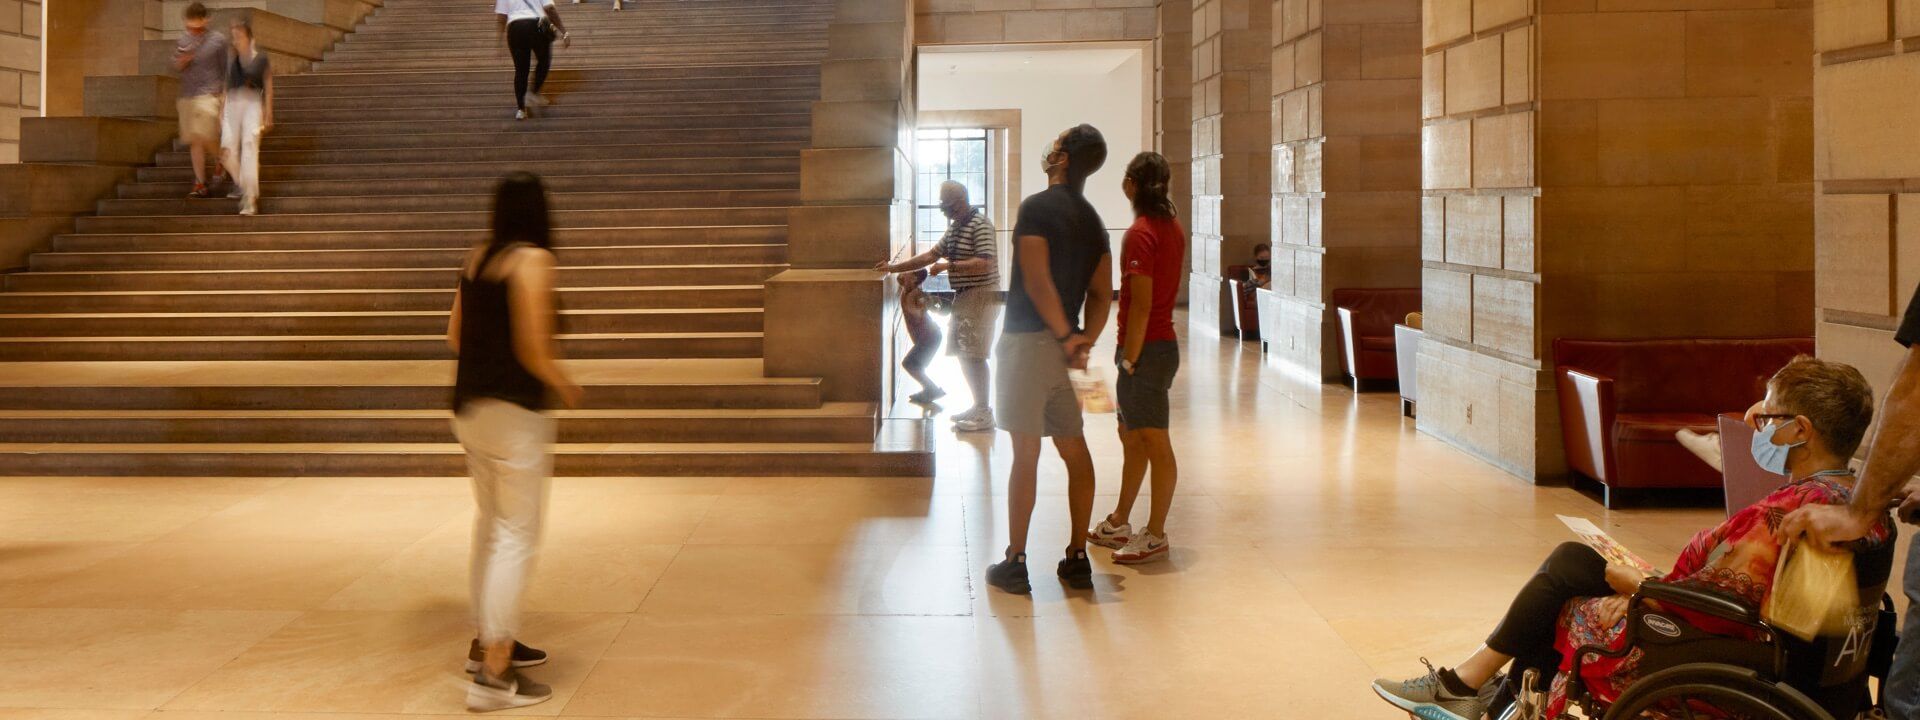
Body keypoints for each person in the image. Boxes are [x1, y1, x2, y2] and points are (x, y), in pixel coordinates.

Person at [1374, 355, 1887, 720]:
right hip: (1806, 666)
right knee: (1574, 559)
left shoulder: (1788, 513)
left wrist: (1642, 589)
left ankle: (1476, 688)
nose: (1757, 426)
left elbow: (1715, 604)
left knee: (1566, 594)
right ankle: (1483, 690)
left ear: (1799, 431)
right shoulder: (1858, 506)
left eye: (1766, 416)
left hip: (1718, 650)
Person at [448, 172, 582, 712]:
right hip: (515, 416)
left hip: (471, 411)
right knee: (516, 536)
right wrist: (565, 384)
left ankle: (488, 638)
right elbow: (532, 346)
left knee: (490, 527)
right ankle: (495, 673)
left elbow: (453, 335)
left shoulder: (477, 256)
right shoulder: (533, 261)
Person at [983, 124, 1113, 595]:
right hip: (1074, 353)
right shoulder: (1095, 220)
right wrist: (1082, 341)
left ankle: (1016, 560)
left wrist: (1062, 335)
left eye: (1056, 144)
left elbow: (1036, 282)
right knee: (1075, 448)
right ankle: (1077, 557)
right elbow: (1102, 294)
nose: (1051, 150)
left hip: (1029, 343)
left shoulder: (1036, 208)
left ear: (1062, 159)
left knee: (1026, 453)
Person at [1779, 286, 1920, 719]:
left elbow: (1914, 394)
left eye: (1767, 418)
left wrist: (1861, 510)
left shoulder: (1803, 514)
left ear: (1800, 429)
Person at [1086, 152, 1185, 565]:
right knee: (1133, 436)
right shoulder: (1171, 227)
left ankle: (1156, 533)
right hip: (1152, 348)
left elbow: (1141, 305)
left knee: (1154, 439)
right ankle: (1120, 520)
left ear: (1131, 184)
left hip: (1146, 350)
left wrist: (1129, 359)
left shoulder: (1140, 233)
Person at [875, 180, 1000, 431]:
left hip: (980, 294)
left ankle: (984, 411)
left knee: (973, 354)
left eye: (948, 205)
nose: (945, 211)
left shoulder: (980, 225)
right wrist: (893, 267)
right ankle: (979, 406)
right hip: (965, 295)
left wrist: (949, 266)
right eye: (943, 206)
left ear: (962, 200)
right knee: (965, 353)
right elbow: (930, 255)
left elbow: (985, 262)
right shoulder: (956, 228)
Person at [173, 2, 228, 199]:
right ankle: (199, 182)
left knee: (206, 134)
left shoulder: (218, 40)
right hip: (188, 94)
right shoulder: (183, 39)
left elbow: (225, 70)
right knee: (194, 139)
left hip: (209, 93)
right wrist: (183, 61)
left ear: (206, 21)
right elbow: (176, 64)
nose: (192, 31)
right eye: (189, 26)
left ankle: (220, 158)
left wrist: (223, 97)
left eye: (196, 27)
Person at [220, 19, 271, 217]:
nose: (236, 40)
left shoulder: (260, 59)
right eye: (234, 37)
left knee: (249, 147)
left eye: (239, 36)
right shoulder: (232, 58)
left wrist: (268, 111)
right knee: (226, 152)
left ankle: (249, 198)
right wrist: (221, 109)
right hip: (232, 103)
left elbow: (268, 85)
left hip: (251, 102)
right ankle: (244, 184)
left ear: (249, 38)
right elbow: (226, 84)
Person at [496, 0, 570, 120]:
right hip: (536, 26)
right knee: (544, 61)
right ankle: (534, 92)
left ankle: (521, 109)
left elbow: (501, 16)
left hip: (515, 29)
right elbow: (549, 9)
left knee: (521, 71)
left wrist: (499, 41)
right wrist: (564, 32)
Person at [898, 269, 944, 404]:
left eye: (906, 272)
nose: (901, 273)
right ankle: (929, 390)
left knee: (910, 364)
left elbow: (918, 313)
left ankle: (932, 389)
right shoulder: (908, 291)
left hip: (930, 337)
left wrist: (926, 303)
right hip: (928, 337)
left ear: (913, 278)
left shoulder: (915, 294)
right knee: (916, 365)